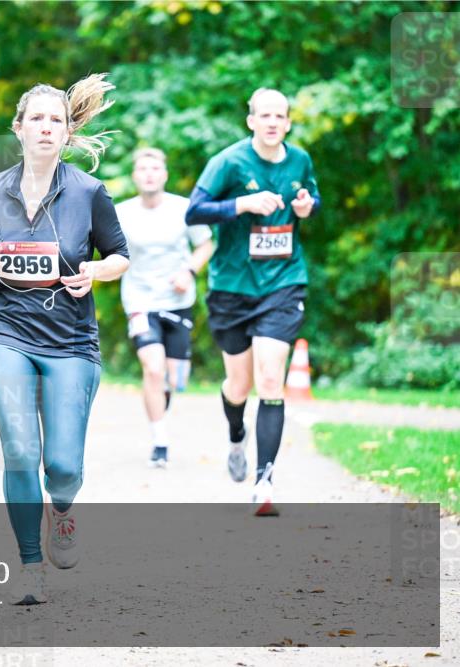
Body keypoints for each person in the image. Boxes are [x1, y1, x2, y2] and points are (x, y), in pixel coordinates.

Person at [0, 74, 130, 604]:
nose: (46, 128)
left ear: (67, 133)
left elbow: (120, 256)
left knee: (63, 468)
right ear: (19, 128)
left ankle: (62, 511)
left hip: (71, 340)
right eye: (37, 119)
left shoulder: (90, 194)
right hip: (4, 332)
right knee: (20, 451)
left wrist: (95, 273)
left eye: (57, 120)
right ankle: (29, 567)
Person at [186, 88, 321, 516]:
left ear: (288, 122)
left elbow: (312, 200)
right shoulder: (229, 161)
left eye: (280, 116)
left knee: (269, 379)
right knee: (238, 385)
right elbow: (194, 212)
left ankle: (265, 480)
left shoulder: (300, 160)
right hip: (231, 286)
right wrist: (241, 203)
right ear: (251, 121)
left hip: (283, 283)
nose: (272, 122)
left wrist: (305, 207)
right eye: (265, 115)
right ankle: (235, 434)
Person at [115, 148, 214, 468]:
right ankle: (160, 442)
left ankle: (164, 394)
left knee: (175, 379)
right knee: (153, 369)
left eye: (154, 168)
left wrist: (189, 271)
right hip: (140, 301)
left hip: (178, 301)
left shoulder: (185, 209)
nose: (148, 174)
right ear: (135, 176)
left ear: (164, 174)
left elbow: (205, 244)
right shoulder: (121, 213)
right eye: (142, 168)